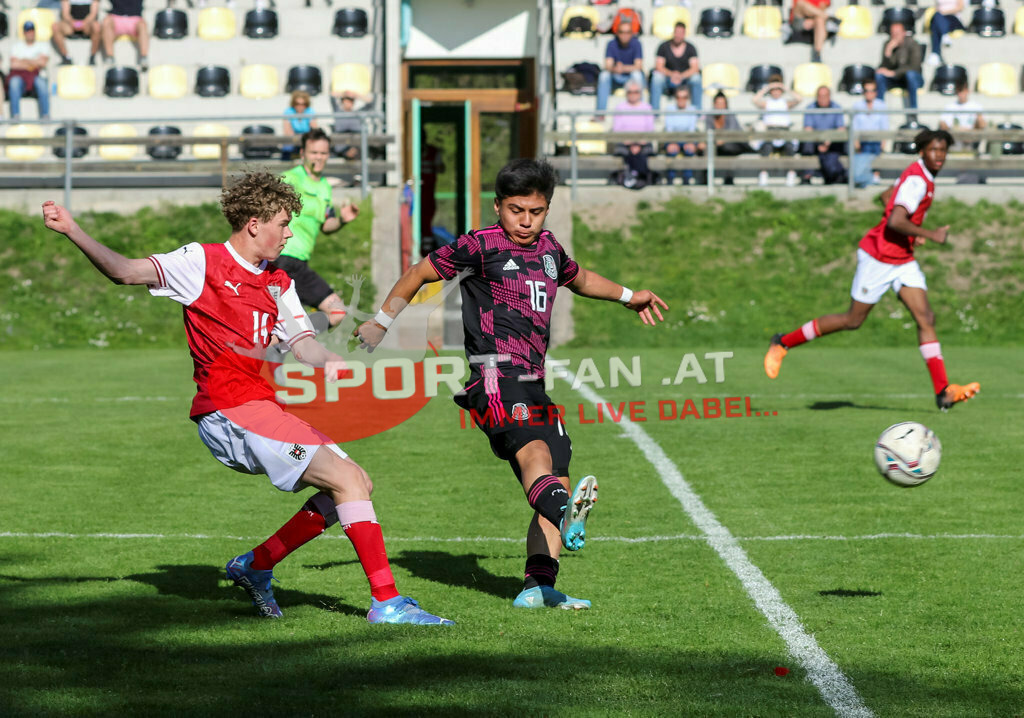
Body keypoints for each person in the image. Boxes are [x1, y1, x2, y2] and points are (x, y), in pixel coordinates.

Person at [41, 172, 452, 625]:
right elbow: (124, 271)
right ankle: (387, 604)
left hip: (258, 406)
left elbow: (302, 342)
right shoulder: (203, 261)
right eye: (283, 222)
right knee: (347, 481)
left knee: (355, 485)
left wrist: (329, 361)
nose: (290, 232)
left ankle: (256, 565)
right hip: (228, 410)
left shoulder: (278, 281)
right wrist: (72, 230)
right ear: (254, 223)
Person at [355, 159, 668, 610]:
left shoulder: (549, 248)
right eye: (516, 210)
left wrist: (627, 295)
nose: (525, 221)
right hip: (494, 376)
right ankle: (566, 513)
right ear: (498, 206)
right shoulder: (479, 245)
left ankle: (538, 587)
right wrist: (381, 322)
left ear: (546, 210)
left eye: (536, 212)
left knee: (557, 471)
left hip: (533, 381)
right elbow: (419, 272)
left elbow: (578, 279)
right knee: (535, 456)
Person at [763, 129, 980, 411]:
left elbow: (888, 196)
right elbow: (894, 221)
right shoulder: (917, 180)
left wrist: (913, 235)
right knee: (853, 320)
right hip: (879, 257)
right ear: (922, 151)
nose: (939, 155)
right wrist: (930, 233)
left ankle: (944, 392)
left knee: (926, 317)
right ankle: (782, 342)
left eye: (943, 151)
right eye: (934, 150)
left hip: (902, 259)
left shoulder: (920, 176)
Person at [278, 128, 358, 330]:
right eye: (314, 153)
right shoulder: (290, 179)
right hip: (279, 258)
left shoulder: (325, 187)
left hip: (300, 264)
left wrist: (342, 220)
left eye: (323, 153)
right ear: (303, 154)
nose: (319, 158)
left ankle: (288, 338)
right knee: (273, 317)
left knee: (338, 311)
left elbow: (326, 226)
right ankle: (281, 340)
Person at [751, 75, 802, 186]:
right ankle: (763, 174)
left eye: (778, 89)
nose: (776, 91)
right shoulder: (767, 103)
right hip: (771, 131)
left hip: (784, 131)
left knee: (789, 147)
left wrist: (785, 87)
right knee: (766, 147)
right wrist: (767, 88)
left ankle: (791, 174)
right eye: (774, 90)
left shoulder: (785, 103)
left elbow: (799, 99)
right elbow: (754, 100)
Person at [649, 21, 701, 112]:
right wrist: (672, 74)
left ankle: (698, 112)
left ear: (684, 34)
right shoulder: (663, 47)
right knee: (656, 78)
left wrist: (681, 76)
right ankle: (655, 113)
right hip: (667, 80)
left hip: (684, 81)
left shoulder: (691, 48)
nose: (678, 35)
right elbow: (658, 66)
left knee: (696, 78)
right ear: (673, 32)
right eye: (676, 32)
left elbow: (695, 68)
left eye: (681, 33)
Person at [801, 85, 846, 185]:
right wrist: (819, 142)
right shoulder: (810, 108)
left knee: (836, 149)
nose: (822, 99)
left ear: (829, 96)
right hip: (815, 141)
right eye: (820, 96)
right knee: (807, 143)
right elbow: (808, 129)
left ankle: (833, 175)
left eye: (825, 96)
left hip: (831, 142)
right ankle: (808, 175)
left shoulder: (837, 107)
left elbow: (840, 129)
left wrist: (827, 142)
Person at [875, 22, 923, 117]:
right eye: (893, 33)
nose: (895, 35)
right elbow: (883, 67)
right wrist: (888, 52)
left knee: (911, 75)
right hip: (896, 79)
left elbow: (915, 67)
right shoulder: (888, 44)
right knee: (879, 75)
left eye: (897, 32)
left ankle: (913, 112)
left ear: (904, 33)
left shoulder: (913, 44)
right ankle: (879, 110)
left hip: (913, 79)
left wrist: (894, 73)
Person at [596, 21, 644, 113]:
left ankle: (640, 112)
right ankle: (600, 113)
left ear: (632, 33)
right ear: (617, 33)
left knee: (637, 75)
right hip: (615, 77)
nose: (624, 35)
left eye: (627, 32)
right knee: (604, 75)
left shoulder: (637, 44)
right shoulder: (611, 44)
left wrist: (623, 68)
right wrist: (615, 69)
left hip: (630, 78)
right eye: (622, 32)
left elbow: (638, 66)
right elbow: (608, 65)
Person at [9, 21, 51, 120]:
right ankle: (15, 115)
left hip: (36, 76)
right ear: (24, 33)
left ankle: (45, 115)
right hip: (21, 78)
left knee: (41, 83)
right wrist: (34, 62)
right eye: (28, 31)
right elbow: (14, 65)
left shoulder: (43, 45)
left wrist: (23, 60)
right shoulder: (16, 46)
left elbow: (43, 63)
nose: (30, 33)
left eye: (32, 31)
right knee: (14, 82)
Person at [850, 80, 888, 189]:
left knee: (874, 147)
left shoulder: (881, 105)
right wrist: (856, 143)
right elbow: (855, 126)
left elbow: (884, 127)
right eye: (866, 90)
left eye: (872, 90)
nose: (869, 93)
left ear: (876, 92)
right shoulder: (857, 106)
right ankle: (870, 179)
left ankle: (874, 176)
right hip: (863, 141)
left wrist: (883, 143)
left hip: (876, 141)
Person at [663, 85, 702, 185]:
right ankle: (670, 179)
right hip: (673, 139)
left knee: (689, 149)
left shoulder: (692, 109)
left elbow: (691, 129)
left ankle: (687, 179)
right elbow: (669, 128)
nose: (681, 100)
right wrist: (672, 142)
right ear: (675, 98)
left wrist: (690, 142)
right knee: (671, 150)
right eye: (678, 97)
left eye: (684, 97)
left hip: (687, 139)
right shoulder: (670, 109)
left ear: (687, 98)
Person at [705, 91, 745, 186]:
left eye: (722, 103)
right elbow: (708, 131)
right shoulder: (710, 116)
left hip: (735, 144)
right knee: (706, 149)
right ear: (714, 104)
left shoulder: (730, 115)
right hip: (717, 144)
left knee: (728, 148)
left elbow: (732, 133)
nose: (720, 106)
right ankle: (707, 178)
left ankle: (729, 178)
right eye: (718, 103)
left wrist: (722, 140)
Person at [101, 0, 149, 71]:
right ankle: (110, 57)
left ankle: (144, 58)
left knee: (143, 25)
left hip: (135, 18)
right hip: (116, 18)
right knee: (106, 22)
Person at [52, 0, 101, 66]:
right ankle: (66, 57)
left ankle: (92, 57)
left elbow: (93, 14)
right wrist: (73, 23)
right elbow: (65, 14)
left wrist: (84, 23)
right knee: (55, 27)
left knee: (96, 26)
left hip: (87, 25)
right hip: (71, 25)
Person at [329, 90, 370, 160]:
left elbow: (370, 103)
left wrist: (356, 95)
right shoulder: (338, 111)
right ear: (342, 101)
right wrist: (344, 93)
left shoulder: (358, 113)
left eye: (351, 101)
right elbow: (331, 96)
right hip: (341, 145)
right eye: (346, 100)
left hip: (356, 145)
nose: (349, 103)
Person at [281, 90, 318, 161]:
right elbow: (288, 132)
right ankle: (285, 167)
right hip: (293, 139)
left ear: (306, 104)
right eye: (297, 103)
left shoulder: (310, 111)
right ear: (293, 103)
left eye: (303, 104)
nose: (300, 106)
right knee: (288, 146)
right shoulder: (288, 111)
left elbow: (314, 129)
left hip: (307, 138)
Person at [927, 0, 965, 66]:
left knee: (936, 21)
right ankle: (945, 35)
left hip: (953, 19)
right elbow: (936, 7)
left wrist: (945, 12)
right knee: (936, 20)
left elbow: (960, 7)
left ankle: (935, 52)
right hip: (940, 18)